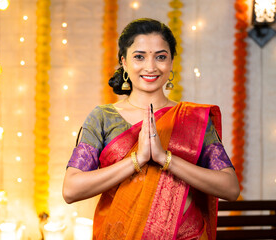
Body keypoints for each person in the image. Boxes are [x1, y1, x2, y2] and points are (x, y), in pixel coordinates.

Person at [62, 18, 240, 239]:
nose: (151, 66)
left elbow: (230, 188)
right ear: (124, 62)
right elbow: (71, 189)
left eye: (161, 57)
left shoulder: (193, 119)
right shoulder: (103, 118)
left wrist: (166, 159)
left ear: (171, 62)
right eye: (139, 56)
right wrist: (137, 160)